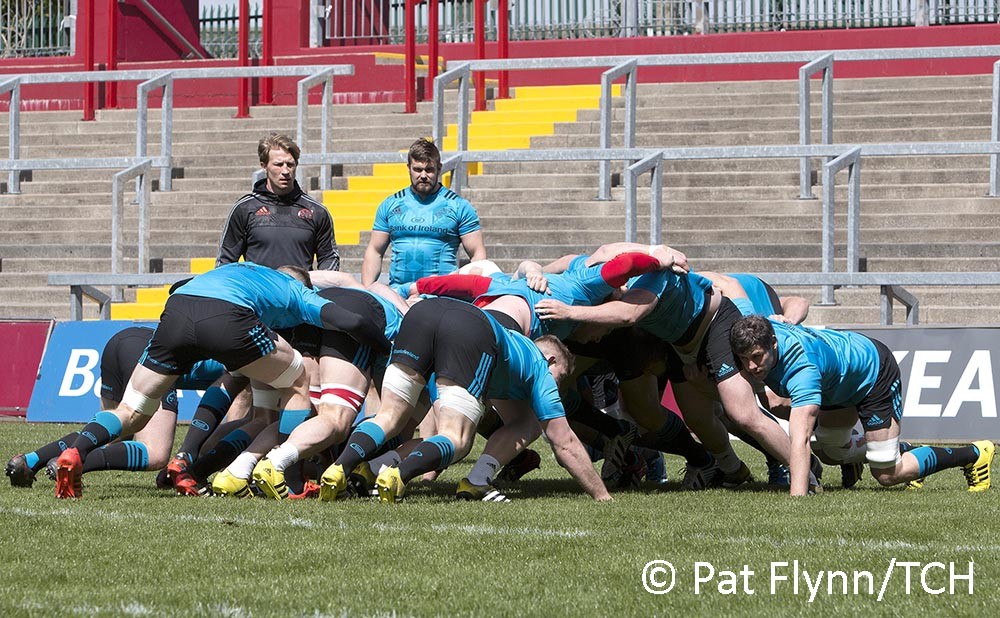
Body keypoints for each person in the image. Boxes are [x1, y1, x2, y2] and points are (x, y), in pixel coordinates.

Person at [52, 262, 389, 499]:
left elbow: (180, 288)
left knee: (133, 410)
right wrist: (385, 347)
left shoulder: (243, 270)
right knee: (297, 381)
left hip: (178, 309)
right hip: (229, 318)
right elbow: (352, 321)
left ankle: (76, 452)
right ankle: (290, 478)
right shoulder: (296, 292)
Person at [534, 246, 796, 490]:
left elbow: (628, 314)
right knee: (698, 415)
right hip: (681, 343)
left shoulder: (652, 277)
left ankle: (801, 469)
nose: (588, 336)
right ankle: (730, 469)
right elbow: (596, 253)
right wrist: (533, 270)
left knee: (743, 410)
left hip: (714, 325)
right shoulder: (595, 274)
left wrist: (569, 312)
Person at [319, 297, 612, 502]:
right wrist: (602, 495)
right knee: (457, 440)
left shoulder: (514, 358)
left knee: (389, 416)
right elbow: (564, 441)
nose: (557, 386)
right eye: (561, 377)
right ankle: (397, 476)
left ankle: (344, 468)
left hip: (423, 313)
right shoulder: (539, 366)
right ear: (551, 361)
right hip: (469, 329)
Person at [729, 315, 995, 496]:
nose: (751, 366)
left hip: (873, 373)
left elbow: (800, 440)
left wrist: (797, 501)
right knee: (831, 453)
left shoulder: (803, 369)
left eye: (757, 357)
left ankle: (973, 454)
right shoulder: (765, 328)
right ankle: (896, 450)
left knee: (887, 474)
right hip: (837, 383)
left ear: (773, 343)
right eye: (744, 359)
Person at [5, 326, 243, 488]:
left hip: (123, 341)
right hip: (153, 357)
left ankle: (30, 460)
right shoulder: (248, 364)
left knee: (110, 434)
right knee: (155, 452)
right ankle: (71, 463)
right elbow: (227, 430)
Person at [361, 138, 486, 297]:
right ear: (409, 168)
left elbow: (477, 255)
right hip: (399, 294)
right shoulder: (390, 205)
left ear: (439, 168)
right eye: (418, 169)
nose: (423, 175)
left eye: (429, 169)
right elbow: (375, 251)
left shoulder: (459, 206)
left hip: (441, 296)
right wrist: (367, 290)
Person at [217, 133, 339, 271]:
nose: (285, 171)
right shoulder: (244, 209)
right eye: (278, 164)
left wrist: (320, 281)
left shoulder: (316, 211)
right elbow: (225, 260)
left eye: (290, 164)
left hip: (298, 285)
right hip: (259, 285)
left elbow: (329, 257)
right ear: (264, 166)